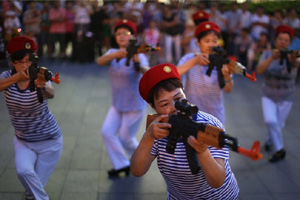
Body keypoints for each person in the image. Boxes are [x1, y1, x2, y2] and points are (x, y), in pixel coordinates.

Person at [131, 63, 239, 199]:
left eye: (178, 99)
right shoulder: (158, 128)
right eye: (164, 104)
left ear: (184, 91)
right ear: (153, 107)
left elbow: (217, 181)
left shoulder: (209, 123)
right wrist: (148, 136)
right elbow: (137, 170)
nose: (174, 107)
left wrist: (202, 152)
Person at [0, 36, 63, 200]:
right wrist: (16, 78)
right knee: (23, 172)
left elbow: (51, 94)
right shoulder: (7, 76)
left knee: (32, 190)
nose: (25, 65)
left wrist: (42, 86)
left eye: (28, 61)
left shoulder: (40, 73)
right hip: (23, 140)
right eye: (19, 61)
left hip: (49, 141)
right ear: (12, 62)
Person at [97, 19, 149, 177]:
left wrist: (137, 63)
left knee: (126, 138)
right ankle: (123, 164)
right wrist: (116, 54)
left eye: (125, 33)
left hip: (134, 105)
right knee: (107, 132)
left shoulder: (138, 54)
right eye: (118, 33)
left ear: (132, 36)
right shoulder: (112, 53)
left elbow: (147, 72)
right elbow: (99, 61)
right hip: (117, 104)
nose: (121, 36)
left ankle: (142, 159)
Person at [256, 25, 300, 163]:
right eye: (280, 39)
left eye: (286, 40)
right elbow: (259, 70)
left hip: (286, 98)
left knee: (277, 126)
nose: (283, 42)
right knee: (270, 120)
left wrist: (293, 58)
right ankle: (280, 150)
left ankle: (269, 141)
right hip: (268, 95)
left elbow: (298, 63)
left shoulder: (293, 55)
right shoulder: (268, 54)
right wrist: (271, 59)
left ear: (289, 42)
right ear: (276, 40)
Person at [177, 21, 234, 124]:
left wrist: (226, 76)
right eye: (207, 41)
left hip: (215, 116)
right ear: (198, 42)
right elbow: (175, 73)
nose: (211, 45)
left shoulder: (222, 62)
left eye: (214, 41)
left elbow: (228, 89)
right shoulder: (189, 58)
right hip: (192, 114)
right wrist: (195, 61)